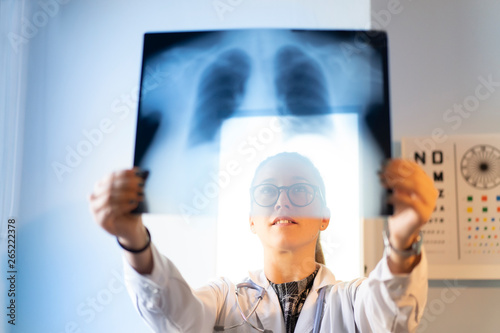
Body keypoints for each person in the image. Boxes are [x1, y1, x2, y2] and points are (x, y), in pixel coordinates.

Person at [89, 152, 438, 332]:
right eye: (268, 192)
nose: (282, 202)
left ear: (325, 216)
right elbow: (177, 318)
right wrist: (132, 238)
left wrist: (403, 238)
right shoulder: (224, 297)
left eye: (300, 190)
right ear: (251, 219)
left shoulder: (352, 300)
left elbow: (391, 313)